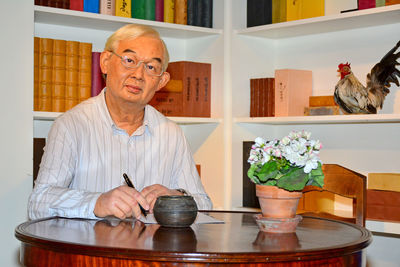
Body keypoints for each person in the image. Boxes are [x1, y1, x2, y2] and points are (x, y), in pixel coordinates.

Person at [28, 24, 212, 220]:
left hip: (153, 249)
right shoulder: (71, 125)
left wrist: (176, 197)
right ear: (106, 62)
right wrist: (97, 202)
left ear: (161, 81)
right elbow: (38, 202)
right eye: (129, 60)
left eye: (151, 67)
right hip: (91, 249)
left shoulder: (171, 133)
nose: (138, 75)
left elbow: (204, 204)